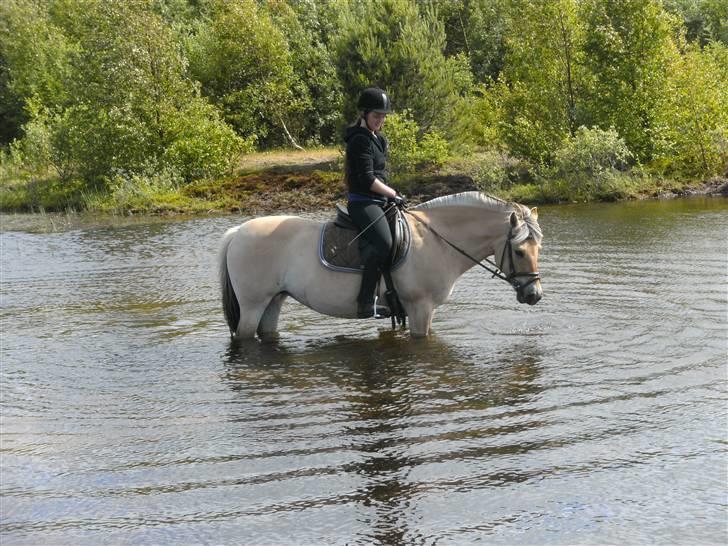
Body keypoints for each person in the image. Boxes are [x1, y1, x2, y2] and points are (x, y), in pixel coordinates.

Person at [344, 87, 406, 319]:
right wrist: (393, 194)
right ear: (365, 114)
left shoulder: (379, 139)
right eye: (376, 116)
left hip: (380, 200)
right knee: (384, 243)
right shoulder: (359, 140)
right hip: (363, 202)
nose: (380, 120)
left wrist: (390, 195)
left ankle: (393, 294)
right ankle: (365, 301)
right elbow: (368, 180)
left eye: (383, 116)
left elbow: (382, 175)